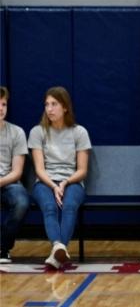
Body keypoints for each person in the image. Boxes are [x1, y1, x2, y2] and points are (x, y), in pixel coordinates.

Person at [28, 87, 90, 269]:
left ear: (65, 107)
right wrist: (54, 186)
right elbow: (39, 169)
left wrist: (65, 183)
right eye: (47, 104)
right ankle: (58, 246)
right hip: (45, 182)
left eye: (54, 104)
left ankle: (56, 254)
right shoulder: (37, 132)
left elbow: (82, 169)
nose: (49, 109)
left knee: (69, 206)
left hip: (72, 181)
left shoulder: (79, 132)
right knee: (49, 207)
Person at [0, 87, 30, 263]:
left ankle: (3, 247)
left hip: (9, 182)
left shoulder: (16, 132)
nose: (1, 108)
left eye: (3, 104)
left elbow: (17, 171)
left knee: (22, 202)